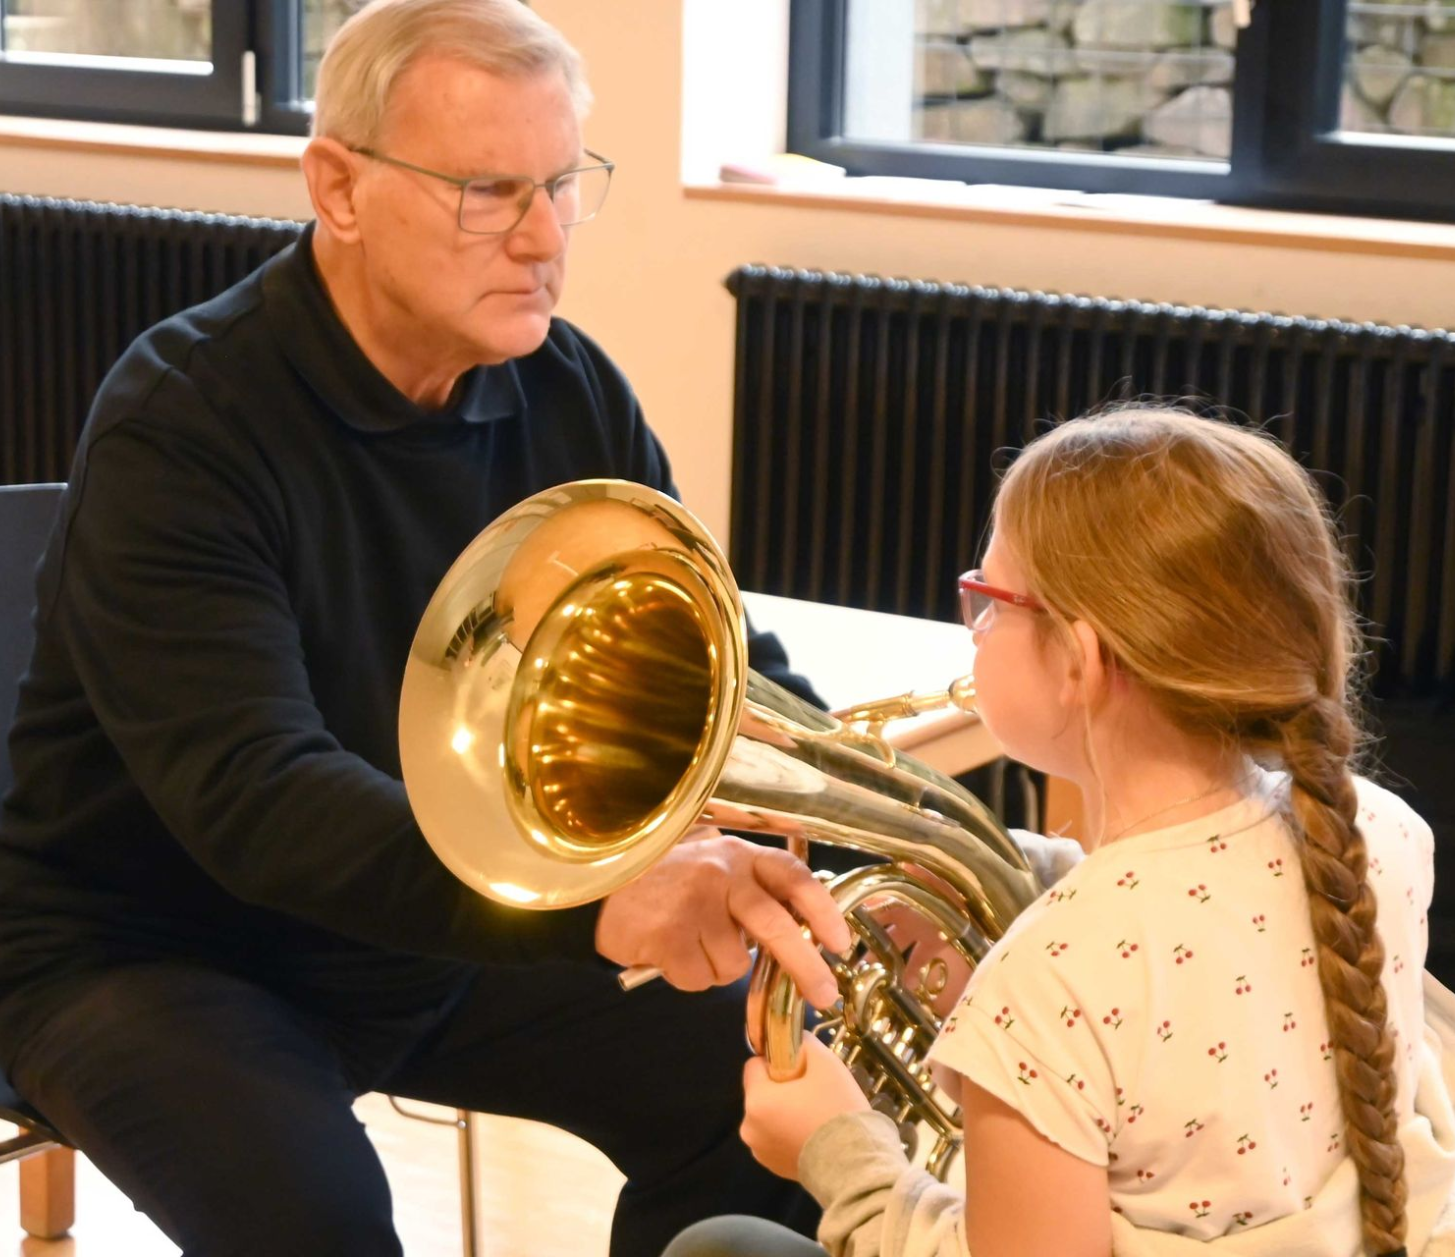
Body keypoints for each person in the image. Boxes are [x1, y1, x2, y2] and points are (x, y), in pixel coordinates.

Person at [0, 2, 852, 1254]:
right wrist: (599, 901)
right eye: (487, 190)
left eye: (562, 184)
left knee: (778, 1102)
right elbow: (259, 802)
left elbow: (721, 676)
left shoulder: (566, 387)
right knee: (317, 1221)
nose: (546, 236)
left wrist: (842, 843)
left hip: (429, 934)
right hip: (149, 948)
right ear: (337, 188)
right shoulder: (182, 426)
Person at [664, 407, 1455, 1257]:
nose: (974, 626)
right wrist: (1042, 868)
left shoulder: (1048, 979)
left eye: (989, 602)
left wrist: (836, 1148)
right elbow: (1205, 927)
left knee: (717, 1245)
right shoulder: (1376, 827)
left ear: (1078, 659)